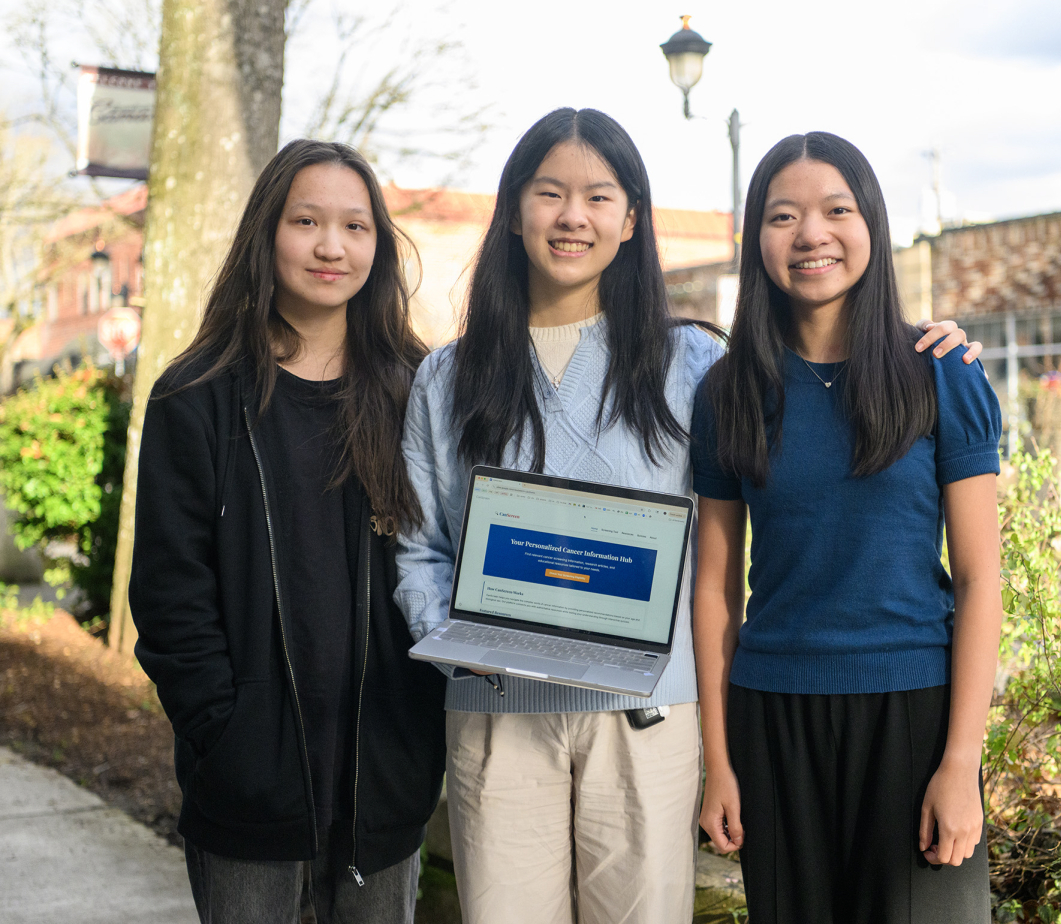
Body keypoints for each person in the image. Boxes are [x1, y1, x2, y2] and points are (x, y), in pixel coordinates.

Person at [395, 108, 981, 924]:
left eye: (598, 196)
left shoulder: (696, 365)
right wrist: (465, 647)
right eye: (549, 193)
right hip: (498, 707)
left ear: (632, 219)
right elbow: (420, 548)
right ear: (514, 209)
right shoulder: (448, 376)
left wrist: (936, 340)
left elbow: (726, 556)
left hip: (647, 719)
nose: (573, 216)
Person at [129, 139, 447, 924]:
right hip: (249, 784)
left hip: (384, 777)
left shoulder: (420, 393)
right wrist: (221, 734)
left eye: (355, 225)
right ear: (267, 231)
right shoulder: (196, 396)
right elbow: (171, 593)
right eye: (306, 220)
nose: (331, 246)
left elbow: (448, 559)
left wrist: (421, 729)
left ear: (378, 244)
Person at [691, 131, 1004, 924]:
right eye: (781, 215)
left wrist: (960, 762)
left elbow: (978, 579)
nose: (810, 235)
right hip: (774, 715)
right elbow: (715, 588)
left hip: (914, 712)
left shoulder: (940, 372)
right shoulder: (728, 392)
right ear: (755, 238)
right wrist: (718, 762)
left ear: (871, 222)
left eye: (835, 209)